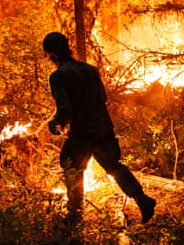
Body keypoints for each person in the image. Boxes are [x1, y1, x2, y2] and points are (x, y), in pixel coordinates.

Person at [43, 32, 155, 225]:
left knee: (71, 168)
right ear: (67, 47)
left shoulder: (58, 76)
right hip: (103, 129)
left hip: (82, 132)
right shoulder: (90, 70)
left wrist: (54, 123)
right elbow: (103, 98)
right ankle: (143, 200)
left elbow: (65, 109)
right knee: (113, 166)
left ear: (51, 54)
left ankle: (74, 217)